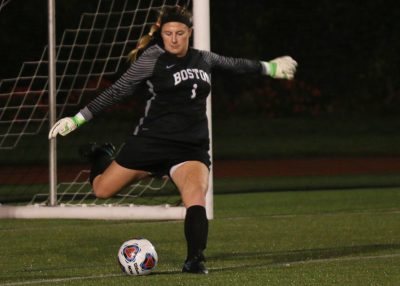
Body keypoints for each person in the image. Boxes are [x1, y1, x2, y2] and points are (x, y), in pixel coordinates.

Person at [48, 5, 297, 274]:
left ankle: (194, 260)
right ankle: (101, 155)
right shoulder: (152, 58)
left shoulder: (203, 58)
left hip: (190, 147)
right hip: (150, 143)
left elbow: (237, 65)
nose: (174, 39)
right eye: (168, 33)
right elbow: (117, 91)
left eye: (180, 33)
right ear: (162, 34)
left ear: (190, 33)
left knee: (195, 196)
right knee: (101, 190)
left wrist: (270, 68)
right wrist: (77, 119)